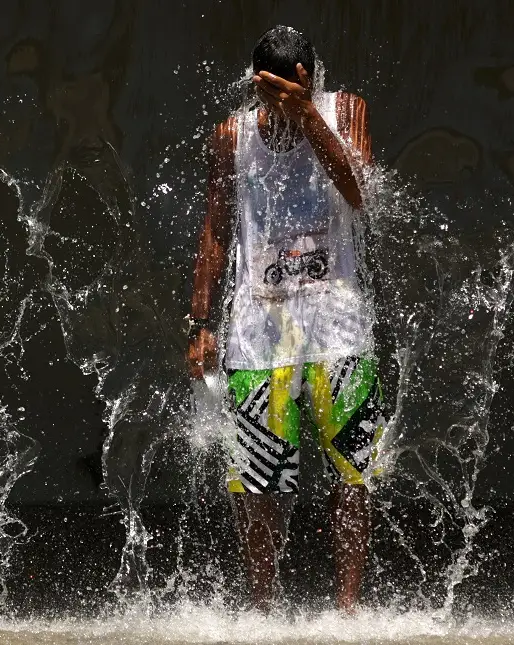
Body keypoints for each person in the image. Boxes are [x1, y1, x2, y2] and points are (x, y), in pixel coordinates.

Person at [188, 26, 385, 613]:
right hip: (258, 325)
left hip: (338, 322)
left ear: (305, 80)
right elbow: (215, 230)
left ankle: (347, 608)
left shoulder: (344, 111)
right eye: (265, 97)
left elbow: (360, 193)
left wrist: (307, 116)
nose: (274, 111)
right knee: (260, 477)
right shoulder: (233, 136)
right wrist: (200, 322)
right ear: (253, 87)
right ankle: (261, 605)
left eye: (285, 95)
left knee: (353, 471)